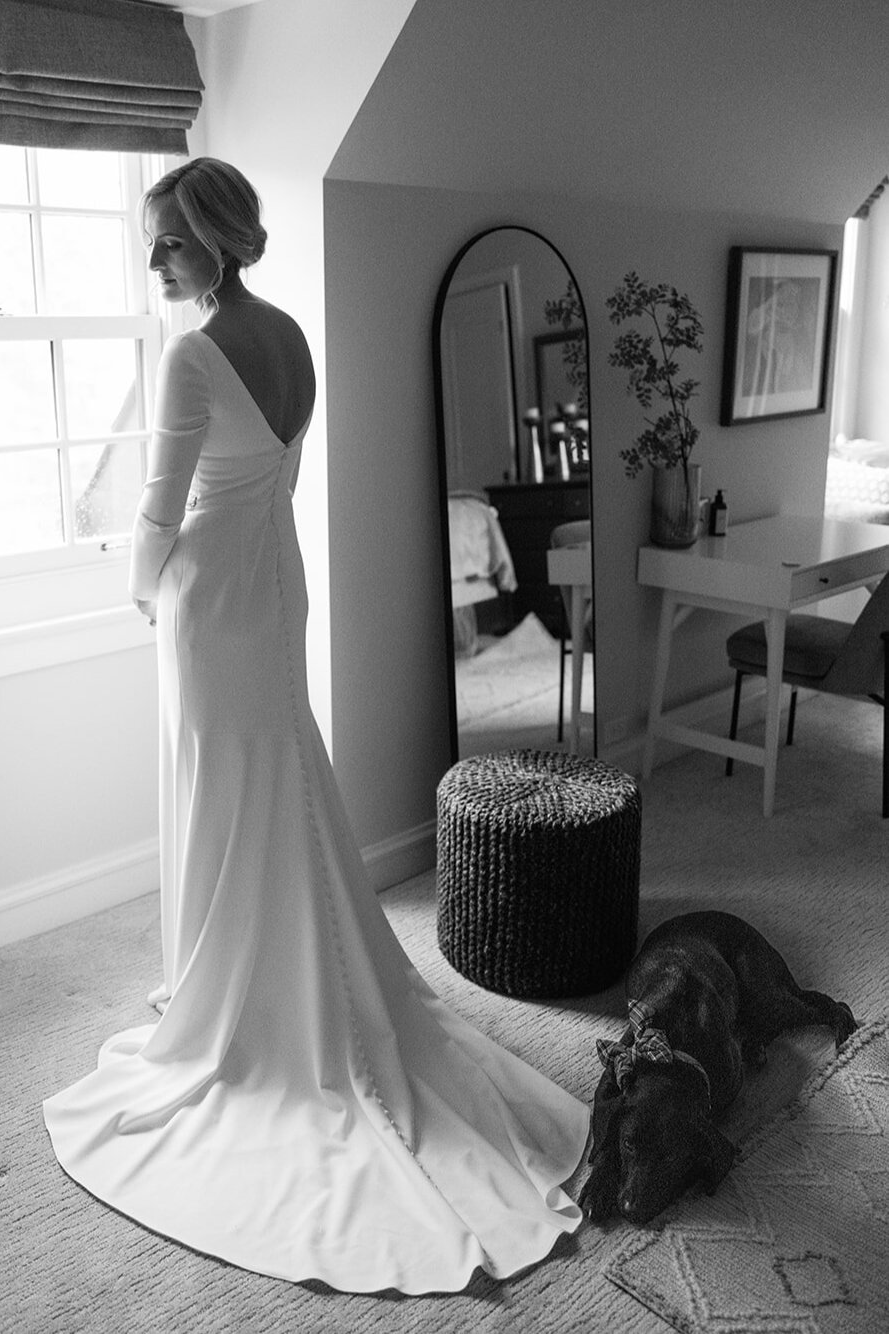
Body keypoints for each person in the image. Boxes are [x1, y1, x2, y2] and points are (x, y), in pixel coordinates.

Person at [43, 158, 589, 1295]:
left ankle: (229, 989)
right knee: (270, 769)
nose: (155, 264)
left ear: (217, 240)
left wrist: (142, 587)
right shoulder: (291, 335)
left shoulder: (195, 353)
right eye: (152, 244)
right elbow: (262, 476)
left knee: (219, 776)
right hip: (274, 584)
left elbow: (158, 504)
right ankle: (246, 965)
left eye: (170, 245)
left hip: (210, 596)